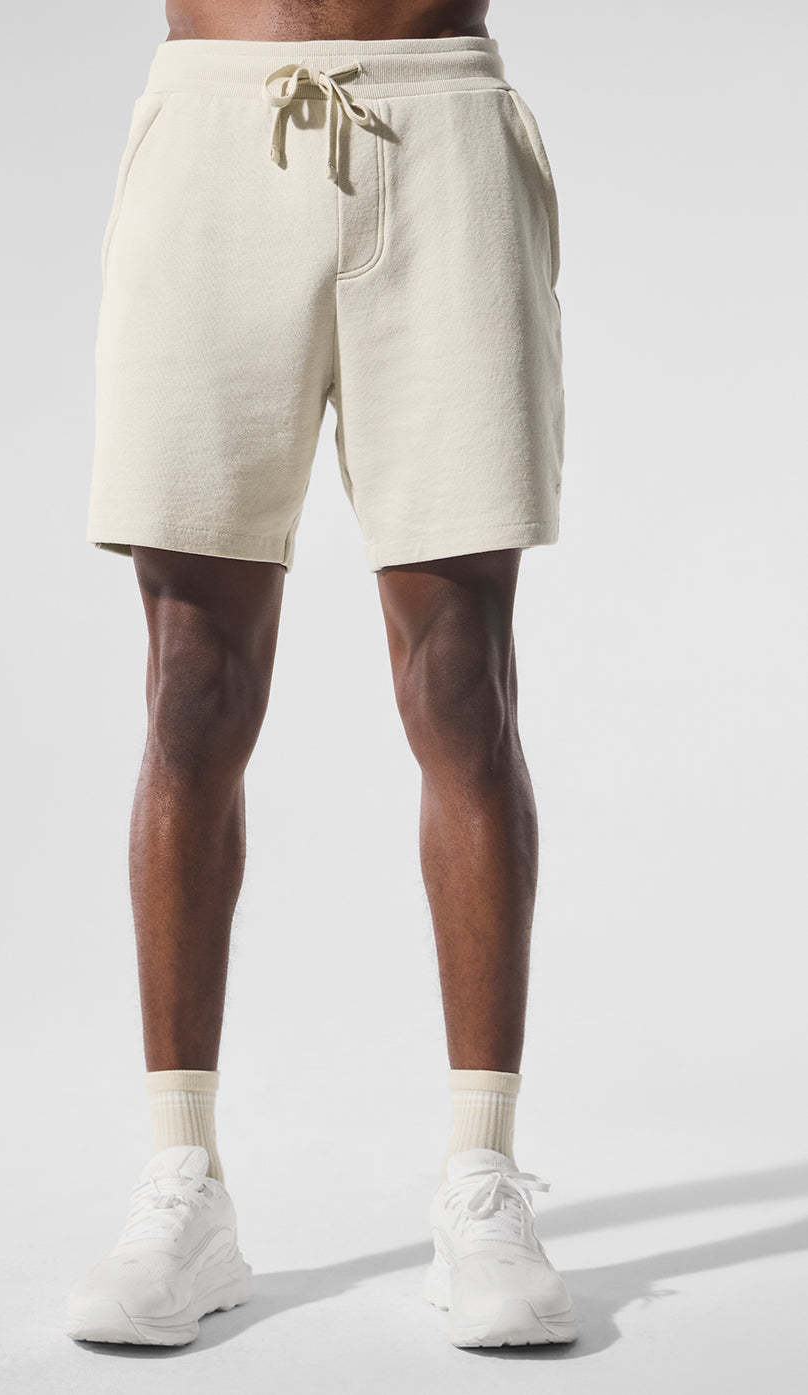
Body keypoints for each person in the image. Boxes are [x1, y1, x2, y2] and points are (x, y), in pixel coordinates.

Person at [67, 0, 575, 1350]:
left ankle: (480, 1178)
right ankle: (183, 1181)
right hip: (213, 132)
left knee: (461, 677)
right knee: (191, 684)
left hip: (440, 127)